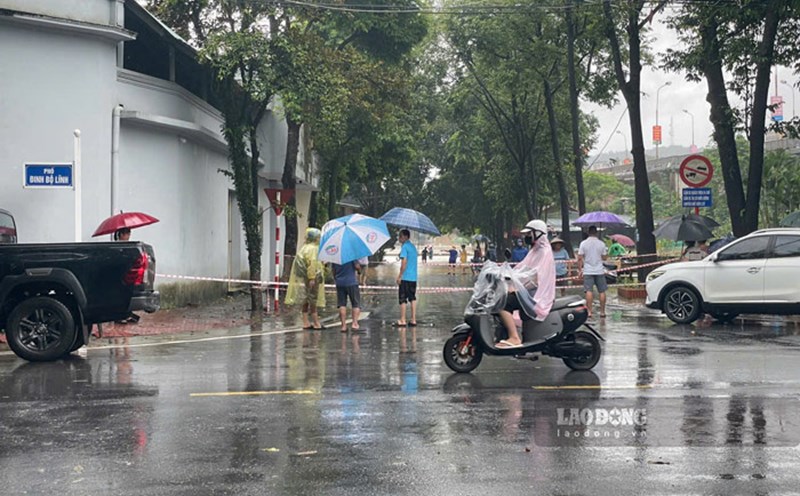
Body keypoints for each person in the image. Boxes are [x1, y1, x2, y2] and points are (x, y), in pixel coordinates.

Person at [496, 220, 556, 348]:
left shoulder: (544, 252)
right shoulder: (535, 250)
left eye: (529, 233)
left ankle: (514, 337)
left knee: (503, 304)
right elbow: (521, 268)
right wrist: (504, 273)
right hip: (529, 292)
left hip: (536, 295)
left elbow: (536, 278)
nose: (526, 237)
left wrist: (516, 286)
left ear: (538, 234)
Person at [285, 228, 325, 329]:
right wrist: (312, 278)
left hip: (304, 277)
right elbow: (312, 264)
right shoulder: (313, 249)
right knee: (312, 298)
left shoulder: (304, 248)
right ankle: (316, 323)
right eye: (318, 237)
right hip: (312, 278)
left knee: (306, 298)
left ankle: (306, 322)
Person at [578, 225, 608, 319]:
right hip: (599, 270)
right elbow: (604, 257)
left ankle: (589, 311)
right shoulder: (601, 244)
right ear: (596, 232)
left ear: (588, 232)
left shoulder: (583, 243)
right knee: (602, 291)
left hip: (588, 270)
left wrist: (580, 270)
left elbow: (580, 258)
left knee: (589, 291)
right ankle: (602, 312)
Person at [114, 228, 140, 324]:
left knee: (127, 295)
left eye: (129, 234)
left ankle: (127, 314)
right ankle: (119, 316)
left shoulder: (128, 246)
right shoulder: (117, 246)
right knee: (119, 296)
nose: (128, 236)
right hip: (119, 275)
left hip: (127, 275)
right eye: (127, 234)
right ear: (121, 235)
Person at [396, 229, 418, 327]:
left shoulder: (405, 247)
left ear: (405, 237)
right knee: (412, 298)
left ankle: (403, 320)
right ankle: (413, 320)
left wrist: (400, 275)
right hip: (413, 278)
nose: (399, 238)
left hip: (405, 277)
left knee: (403, 299)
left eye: (400, 236)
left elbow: (404, 263)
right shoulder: (413, 247)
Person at [332, 259, 362, 332]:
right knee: (355, 303)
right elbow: (357, 267)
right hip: (352, 282)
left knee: (342, 304)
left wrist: (336, 279)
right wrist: (359, 271)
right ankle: (354, 324)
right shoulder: (351, 256)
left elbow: (333, 271)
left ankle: (343, 326)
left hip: (340, 283)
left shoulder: (335, 258)